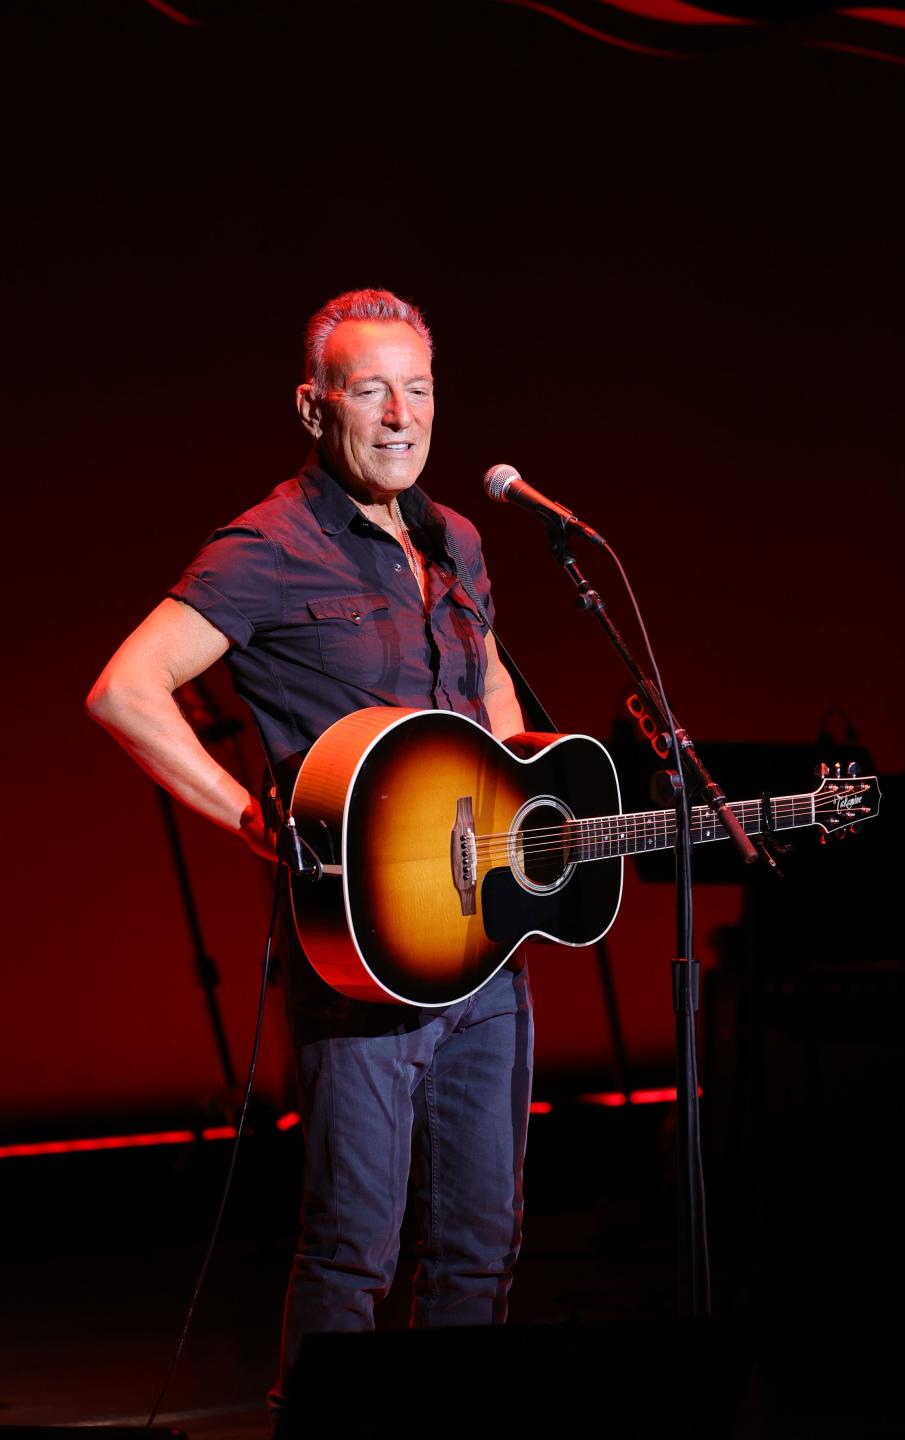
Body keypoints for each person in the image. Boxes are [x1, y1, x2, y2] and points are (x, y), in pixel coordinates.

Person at [86, 288, 534, 1410]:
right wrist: (252, 815)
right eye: (371, 388)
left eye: (419, 390)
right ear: (313, 404)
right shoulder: (269, 546)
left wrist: (539, 795)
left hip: (486, 954)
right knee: (354, 1253)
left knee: (481, 1251)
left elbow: (490, 694)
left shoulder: (458, 540)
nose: (400, 414)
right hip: (361, 964)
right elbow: (126, 691)